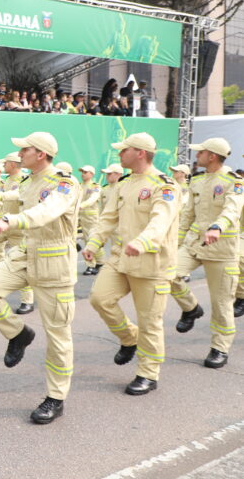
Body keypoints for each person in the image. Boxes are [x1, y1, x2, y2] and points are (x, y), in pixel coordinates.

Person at [0, 132, 80, 424]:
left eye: (26, 149)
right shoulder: (28, 181)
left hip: (54, 262)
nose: (20, 153)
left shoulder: (65, 183)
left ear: (42, 154)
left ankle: (56, 398)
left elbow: (46, 211)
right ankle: (18, 333)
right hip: (26, 253)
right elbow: (16, 197)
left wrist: (10, 221)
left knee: (58, 335)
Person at [83, 133, 180, 395]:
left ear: (140, 153)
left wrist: (143, 242)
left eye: (124, 149)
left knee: (150, 321)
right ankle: (129, 337)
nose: (119, 153)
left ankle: (148, 373)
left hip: (151, 263)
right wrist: (93, 244)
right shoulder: (124, 184)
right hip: (120, 258)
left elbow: (161, 219)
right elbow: (108, 218)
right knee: (99, 298)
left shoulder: (165, 186)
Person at [170, 137, 244, 369]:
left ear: (212, 156)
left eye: (200, 152)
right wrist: (175, 244)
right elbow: (187, 216)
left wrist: (217, 226)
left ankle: (219, 348)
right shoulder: (197, 180)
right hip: (194, 244)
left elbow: (233, 209)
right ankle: (191, 308)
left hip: (222, 249)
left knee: (222, 304)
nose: (197, 155)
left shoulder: (235, 182)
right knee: (167, 273)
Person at [0, 152, 34, 314]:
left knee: (20, 264)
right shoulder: (8, 181)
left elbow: (17, 195)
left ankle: (28, 301)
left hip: (18, 227)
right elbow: (1, 201)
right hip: (5, 225)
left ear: (13, 164)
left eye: (5, 163)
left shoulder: (26, 180)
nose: (3, 165)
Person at [77, 166, 103, 276]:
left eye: (85, 172)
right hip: (79, 217)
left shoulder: (95, 186)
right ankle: (94, 264)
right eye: (82, 172)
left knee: (92, 240)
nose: (83, 174)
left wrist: (81, 206)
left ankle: (95, 264)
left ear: (91, 174)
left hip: (91, 218)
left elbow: (93, 198)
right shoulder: (78, 186)